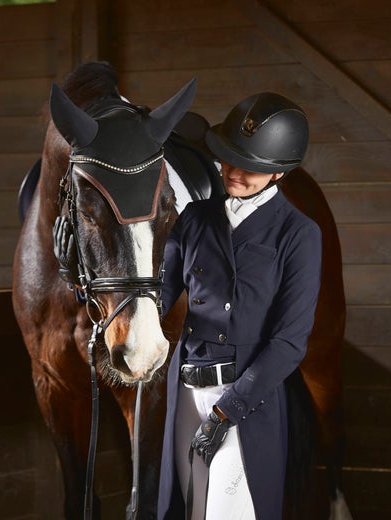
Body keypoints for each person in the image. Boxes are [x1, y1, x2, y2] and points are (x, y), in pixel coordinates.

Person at [156, 92, 323, 520]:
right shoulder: (194, 218)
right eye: (229, 159)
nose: (233, 172)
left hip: (245, 401)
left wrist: (224, 412)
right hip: (186, 393)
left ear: (278, 171)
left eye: (249, 166)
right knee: (187, 510)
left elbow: (288, 343)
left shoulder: (298, 234)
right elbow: (156, 299)